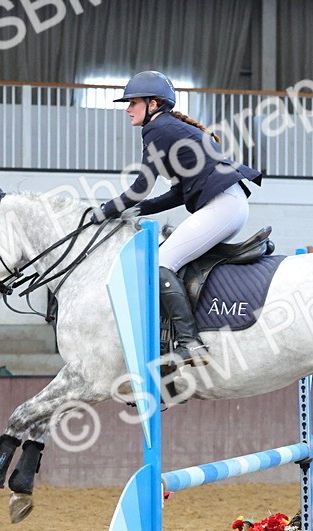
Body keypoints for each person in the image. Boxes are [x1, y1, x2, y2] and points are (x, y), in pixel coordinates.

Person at [92, 70, 262, 366]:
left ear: (153, 104)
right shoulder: (170, 128)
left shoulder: (157, 130)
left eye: (132, 102)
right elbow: (177, 194)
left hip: (222, 206)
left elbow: (140, 188)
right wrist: (138, 210)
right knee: (174, 260)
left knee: (161, 263)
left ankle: (190, 342)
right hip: (228, 204)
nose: (127, 108)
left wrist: (104, 211)